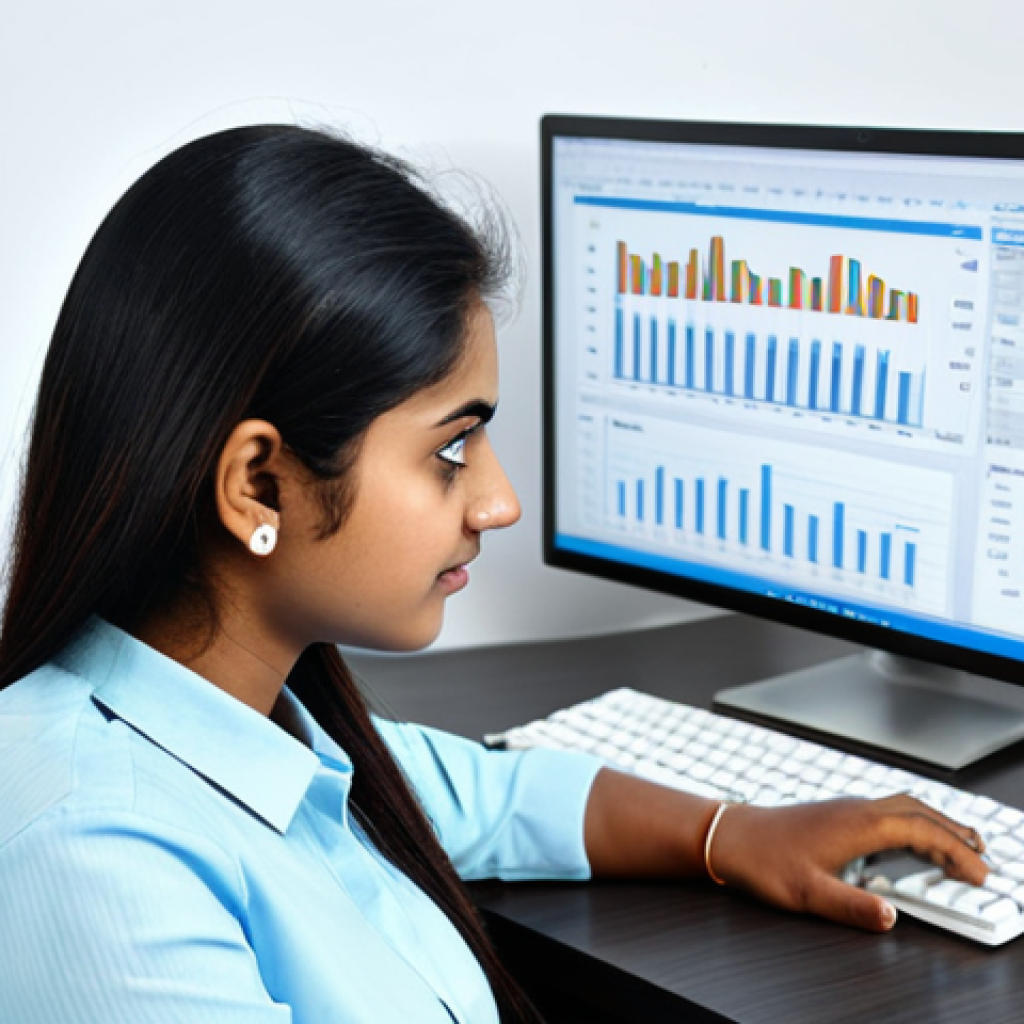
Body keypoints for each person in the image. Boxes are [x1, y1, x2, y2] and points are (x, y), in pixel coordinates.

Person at [0, 125, 987, 1024]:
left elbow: (496, 799)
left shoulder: (255, 722)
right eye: (451, 449)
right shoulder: (97, 858)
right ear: (259, 484)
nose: (499, 501)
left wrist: (728, 833)